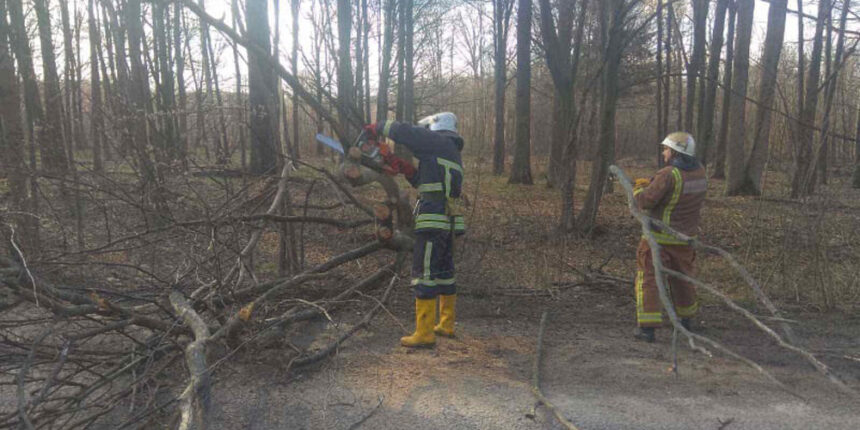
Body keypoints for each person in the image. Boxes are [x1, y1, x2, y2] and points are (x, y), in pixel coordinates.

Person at [364, 112, 465, 348]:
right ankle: (446, 324)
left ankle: (424, 332)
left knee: (424, 273)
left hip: (433, 220)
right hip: (448, 223)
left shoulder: (437, 142)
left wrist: (377, 126)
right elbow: (425, 181)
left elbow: (407, 132)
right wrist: (404, 168)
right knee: (444, 272)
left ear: (435, 128)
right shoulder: (451, 153)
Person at [632, 132, 707, 343]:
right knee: (684, 281)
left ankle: (647, 329)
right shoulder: (701, 172)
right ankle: (686, 322)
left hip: (658, 239)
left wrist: (638, 188)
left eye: (666, 149)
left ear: (675, 152)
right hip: (685, 240)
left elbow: (646, 201)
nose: (664, 152)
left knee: (648, 280)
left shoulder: (668, 174)